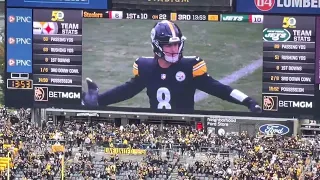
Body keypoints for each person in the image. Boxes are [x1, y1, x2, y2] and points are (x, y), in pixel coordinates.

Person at [82, 20, 261, 113]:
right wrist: (99, 100)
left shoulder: (190, 66)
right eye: (168, 45)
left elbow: (219, 90)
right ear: (157, 45)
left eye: (176, 44)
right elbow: (126, 91)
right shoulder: (145, 67)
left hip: (186, 128)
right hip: (154, 128)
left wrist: (248, 101)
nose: (174, 48)